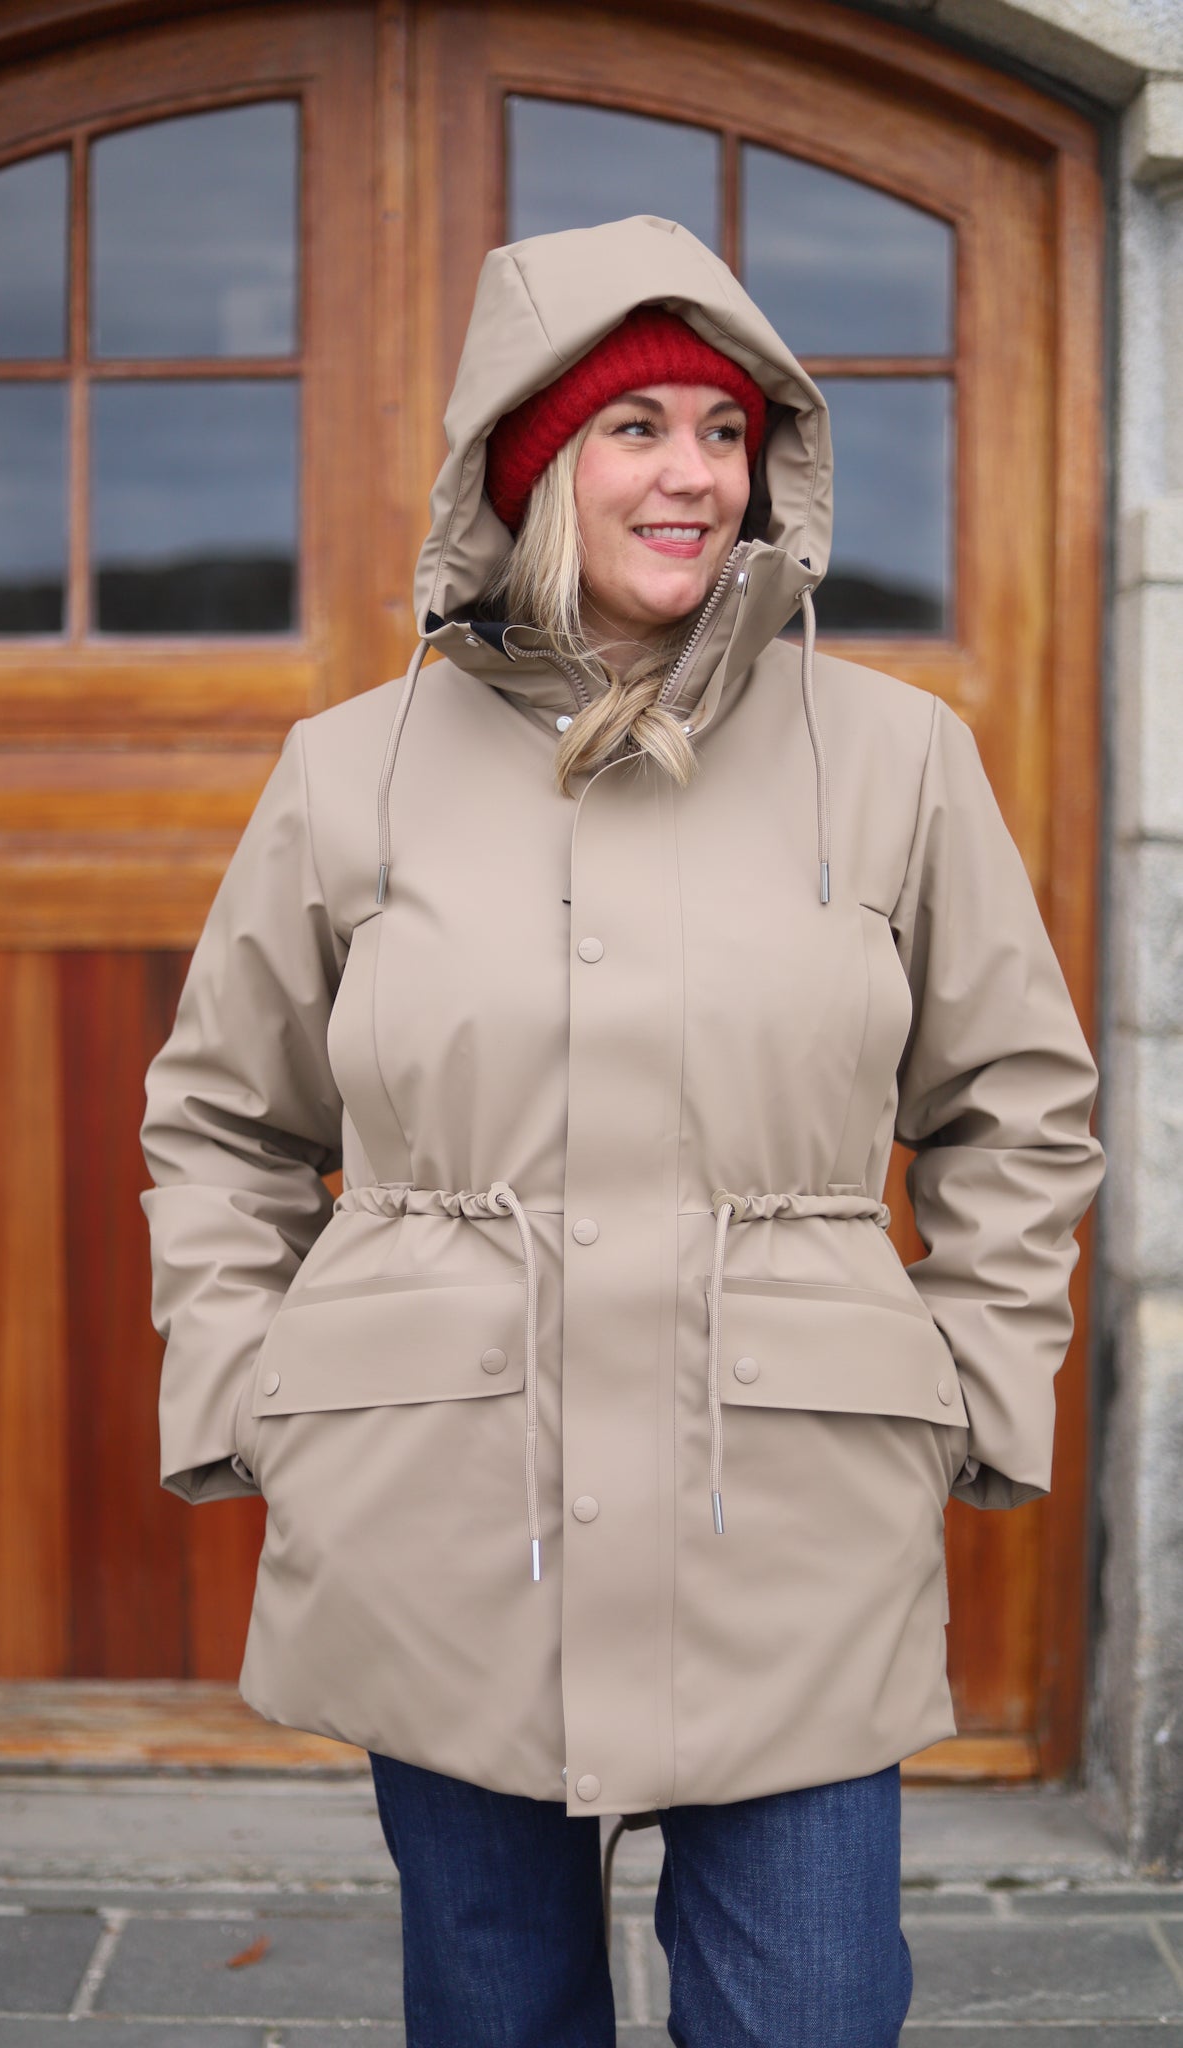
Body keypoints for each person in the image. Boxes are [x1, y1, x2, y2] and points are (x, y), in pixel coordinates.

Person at [139, 215, 1105, 2047]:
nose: (693, 474)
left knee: (811, 2008)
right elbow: (222, 1121)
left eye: (725, 431)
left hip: (793, 1507)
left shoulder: (894, 757)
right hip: (439, 1503)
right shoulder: (352, 768)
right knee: (494, 2014)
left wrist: (973, 1384)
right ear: (526, 470)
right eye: (634, 427)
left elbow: (1018, 1106)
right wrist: (254, 1389)